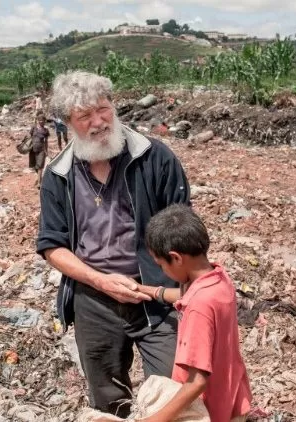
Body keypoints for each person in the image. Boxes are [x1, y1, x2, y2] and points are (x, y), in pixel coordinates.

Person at [36, 71, 191, 417]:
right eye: (84, 116)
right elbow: (52, 245)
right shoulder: (58, 176)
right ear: (68, 123)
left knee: (173, 395)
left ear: (113, 106)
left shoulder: (155, 159)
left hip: (157, 297)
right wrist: (101, 281)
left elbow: (182, 227)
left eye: (102, 110)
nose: (97, 122)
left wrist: (181, 290)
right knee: (108, 399)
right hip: (94, 302)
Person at [131, 204, 252, 422]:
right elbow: (184, 294)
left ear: (175, 258)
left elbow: (198, 382)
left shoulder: (198, 307)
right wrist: (144, 289)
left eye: (160, 265)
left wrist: (154, 419)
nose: (162, 271)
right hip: (233, 398)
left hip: (209, 410)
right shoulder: (217, 278)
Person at [29, 114, 50, 187]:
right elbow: (29, 137)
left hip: (41, 149)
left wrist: (46, 151)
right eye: (39, 120)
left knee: (40, 166)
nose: (41, 121)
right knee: (35, 166)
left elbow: (46, 141)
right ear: (37, 121)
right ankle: (39, 178)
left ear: (45, 121)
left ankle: (39, 183)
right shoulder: (33, 128)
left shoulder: (46, 131)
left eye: (42, 120)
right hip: (33, 149)